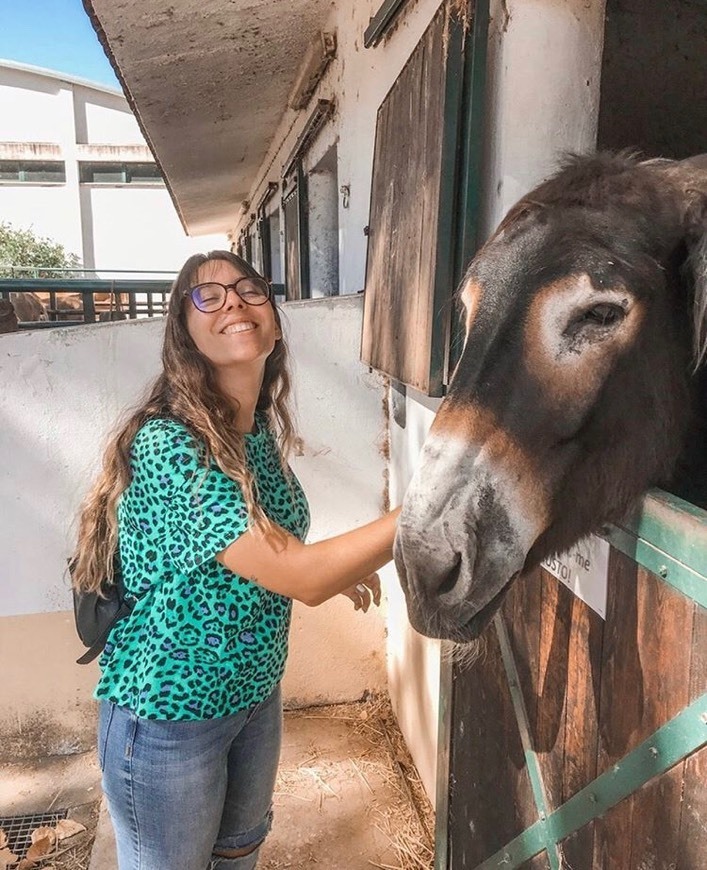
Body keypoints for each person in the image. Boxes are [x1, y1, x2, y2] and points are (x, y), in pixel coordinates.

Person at [71, 250, 400, 870]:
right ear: (185, 334)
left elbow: (279, 554)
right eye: (208, 297)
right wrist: (432, 507)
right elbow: (299, 576)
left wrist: (339, 571)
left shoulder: (255, 432)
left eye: (248, 289)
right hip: (169, 717)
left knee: (240, 853)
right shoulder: (169, 442)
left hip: (253, 693)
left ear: (273, 322)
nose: (233, 303)